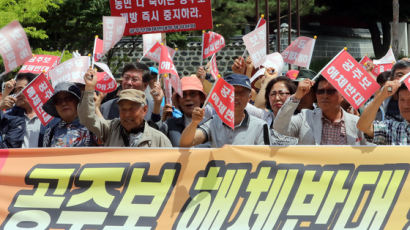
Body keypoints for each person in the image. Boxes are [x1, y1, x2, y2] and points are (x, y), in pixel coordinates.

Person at [79, 68, 172, 147]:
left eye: (132, 109)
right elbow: (87, 118)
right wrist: (89, 88)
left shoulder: (159, 140)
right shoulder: (110, 130)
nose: (127, 114)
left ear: (144, 110)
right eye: (123, 109)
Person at [179, 74, 270, 147]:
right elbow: (185, 143)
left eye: (241, 92)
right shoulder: (213, 122)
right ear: (223, 94)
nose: (236, 96)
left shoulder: (260, 126)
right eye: (231, 91)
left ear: (249, 98)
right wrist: (194, 123)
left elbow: (263, 158)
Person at [273, 76, 367, 145]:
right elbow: (279, 128)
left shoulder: (356, 123)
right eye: (320, 91)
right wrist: (296, 97)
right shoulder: (305, 117)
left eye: (330, 91)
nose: (324, 96)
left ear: (342, 95)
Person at [42, 82, 99, 147]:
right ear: (55, 106)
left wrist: (96, 109)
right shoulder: (50, 132)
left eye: (68, 98)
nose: (63, 103)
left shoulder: (92, 126)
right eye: (58, 101)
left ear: (77, 102)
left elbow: (105, 143)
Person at [0, 73, 50, 148]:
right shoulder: (11, 116)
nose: (17, 94)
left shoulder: (49, 116)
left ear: (34, 89)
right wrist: (4, 97)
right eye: (15, 91)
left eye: (21, 89)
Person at [159, 76, 210, 147]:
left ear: (201, 98)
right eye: (183, 95)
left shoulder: (212, 124)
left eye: (192, 94)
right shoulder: (170, 125)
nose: (188, 98)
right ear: (178, 101)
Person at [357, 80, 410, 145]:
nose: (405, 105)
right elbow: (363, 126)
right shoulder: (392, 129)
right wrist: (382, 95)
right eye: (402, 100)